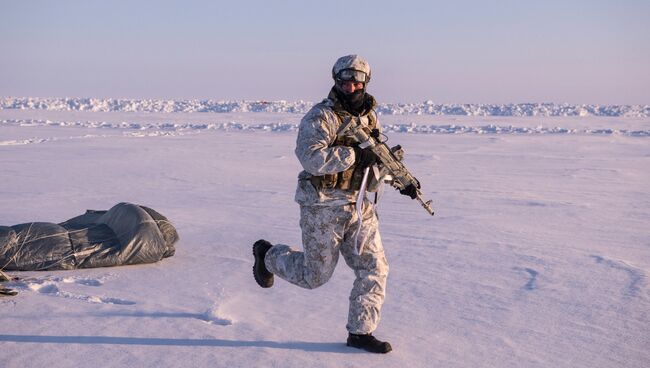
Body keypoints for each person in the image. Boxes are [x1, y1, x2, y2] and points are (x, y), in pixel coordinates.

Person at [253, 55, 409, 354]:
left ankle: (361, 333)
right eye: (346, 81)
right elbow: (311, 158)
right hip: (322, 206)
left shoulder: (369, 117)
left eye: (357, 81)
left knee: (375, 268)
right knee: (315, 277)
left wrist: (391, 177)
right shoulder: (320, 117)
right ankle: (268, 256)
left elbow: (373, 156)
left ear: (365, 82)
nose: (352, 87)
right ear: (336, 81)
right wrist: (354, 156)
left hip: (360, 204)